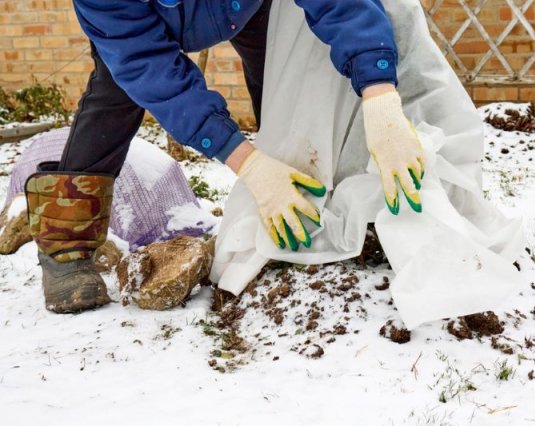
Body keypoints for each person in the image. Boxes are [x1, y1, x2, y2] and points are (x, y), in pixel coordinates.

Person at [24, 0, 427, 313]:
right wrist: (245, 161)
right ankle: (65, 246)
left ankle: (302, 203)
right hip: (142, 30)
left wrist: (378, 90)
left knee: (279, 86)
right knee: (113, 96)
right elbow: (149, 68)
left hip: (247, 8)